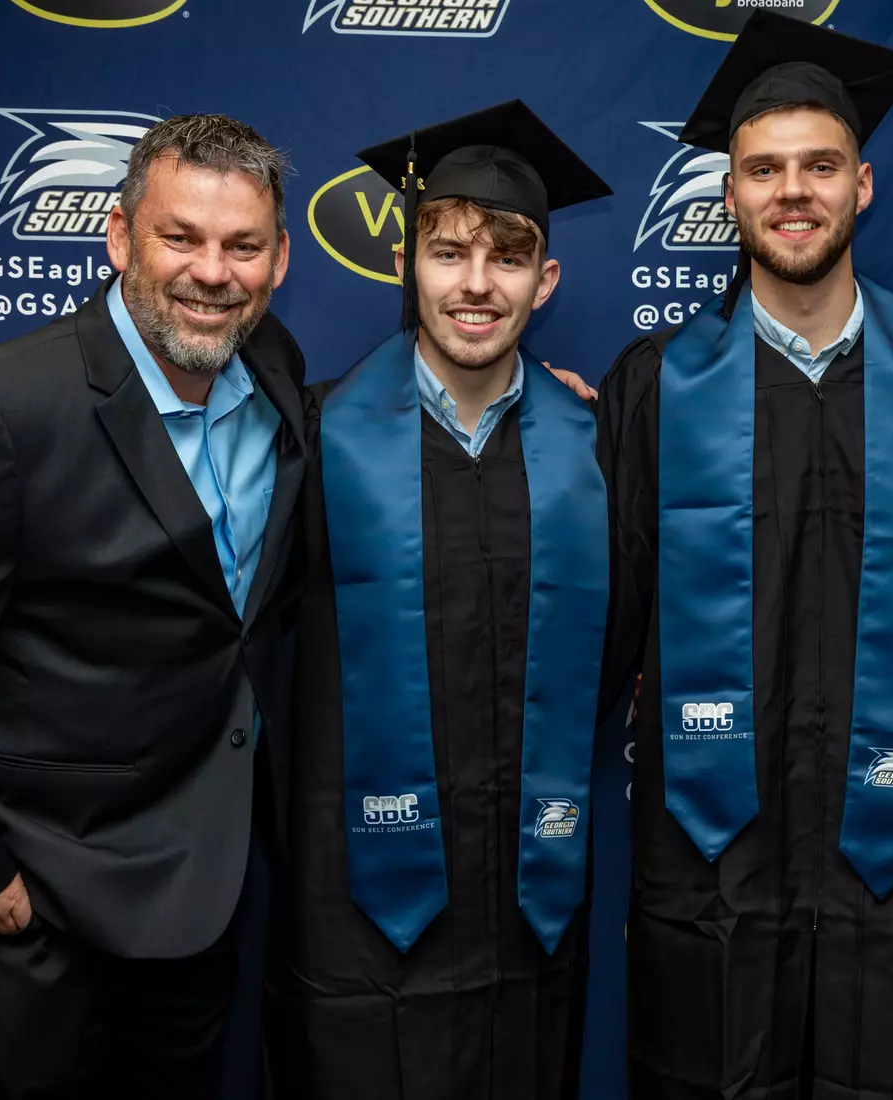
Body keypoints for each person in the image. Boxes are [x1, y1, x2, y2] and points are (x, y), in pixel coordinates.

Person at [0, 114, 305, 1099]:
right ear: (120, 236)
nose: (213, 271)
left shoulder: (277, 378)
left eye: (242, 245)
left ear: (280, 257)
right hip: (38, 915)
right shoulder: (0, 409)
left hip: (198, 904)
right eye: (181, 237)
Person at [594, 12, 893, 1097]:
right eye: (763, 169)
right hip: (713, 847)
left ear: (861, 186)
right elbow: (606, 611)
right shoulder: (656, 384)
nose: (792, 192)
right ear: (727, 195)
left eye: (819, 166)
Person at [263, 100, 616, 1100]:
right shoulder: (316, 434)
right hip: (354, 898)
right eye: (448, 249)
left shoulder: (596, 449)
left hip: (525, 900)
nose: (474, 283)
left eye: (507, 257)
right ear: (406, 265)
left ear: (544, 280)